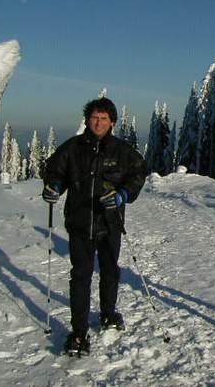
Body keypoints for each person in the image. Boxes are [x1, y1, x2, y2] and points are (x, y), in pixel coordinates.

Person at [42, 97, 147, 355]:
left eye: (103, 119)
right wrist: (53, 187)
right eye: (94, 118)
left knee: (110, 271)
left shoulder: (122, 151)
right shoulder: (73, 147)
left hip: (111, 223)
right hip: (80, 222)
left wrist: (123, 194)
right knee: (81, 276)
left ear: (112, 122)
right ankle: (78, 332)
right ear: (87, 121)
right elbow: (55, 171)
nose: (98, 123)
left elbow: (139, 173)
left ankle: (108, 314)